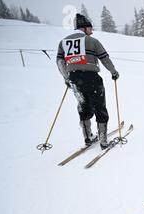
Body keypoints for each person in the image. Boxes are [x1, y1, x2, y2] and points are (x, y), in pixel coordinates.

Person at [56, 14, 119, 150]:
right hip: (91, 78)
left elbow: (60, 62)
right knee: (99, 107)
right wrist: (113, 72)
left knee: (83, 106)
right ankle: (103, 140)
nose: (92, 31)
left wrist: (66, 78)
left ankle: (87, 137)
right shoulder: (91, 41)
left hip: (74, 79)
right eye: (90, 28)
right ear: (84, 28)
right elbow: (104, 58)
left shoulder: (63, 42)